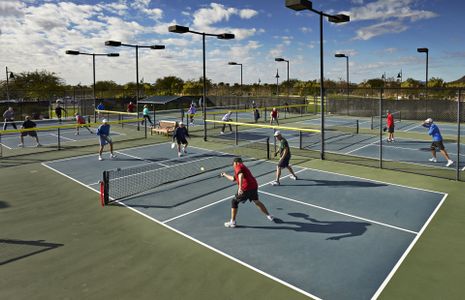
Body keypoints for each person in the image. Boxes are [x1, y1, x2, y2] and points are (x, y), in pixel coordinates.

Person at [220, 157, 274, 228]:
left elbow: (240, 175)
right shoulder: (243, 167)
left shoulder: (238, 166)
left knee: (234, 202)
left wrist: (240, 188)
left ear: (236, 163)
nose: (233, 166)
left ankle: (232, 222)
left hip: (246, 188)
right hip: (253, 186)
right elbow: (233, 179)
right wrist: (224, 174)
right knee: (256, 201)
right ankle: (269, 215)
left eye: (233, 164)